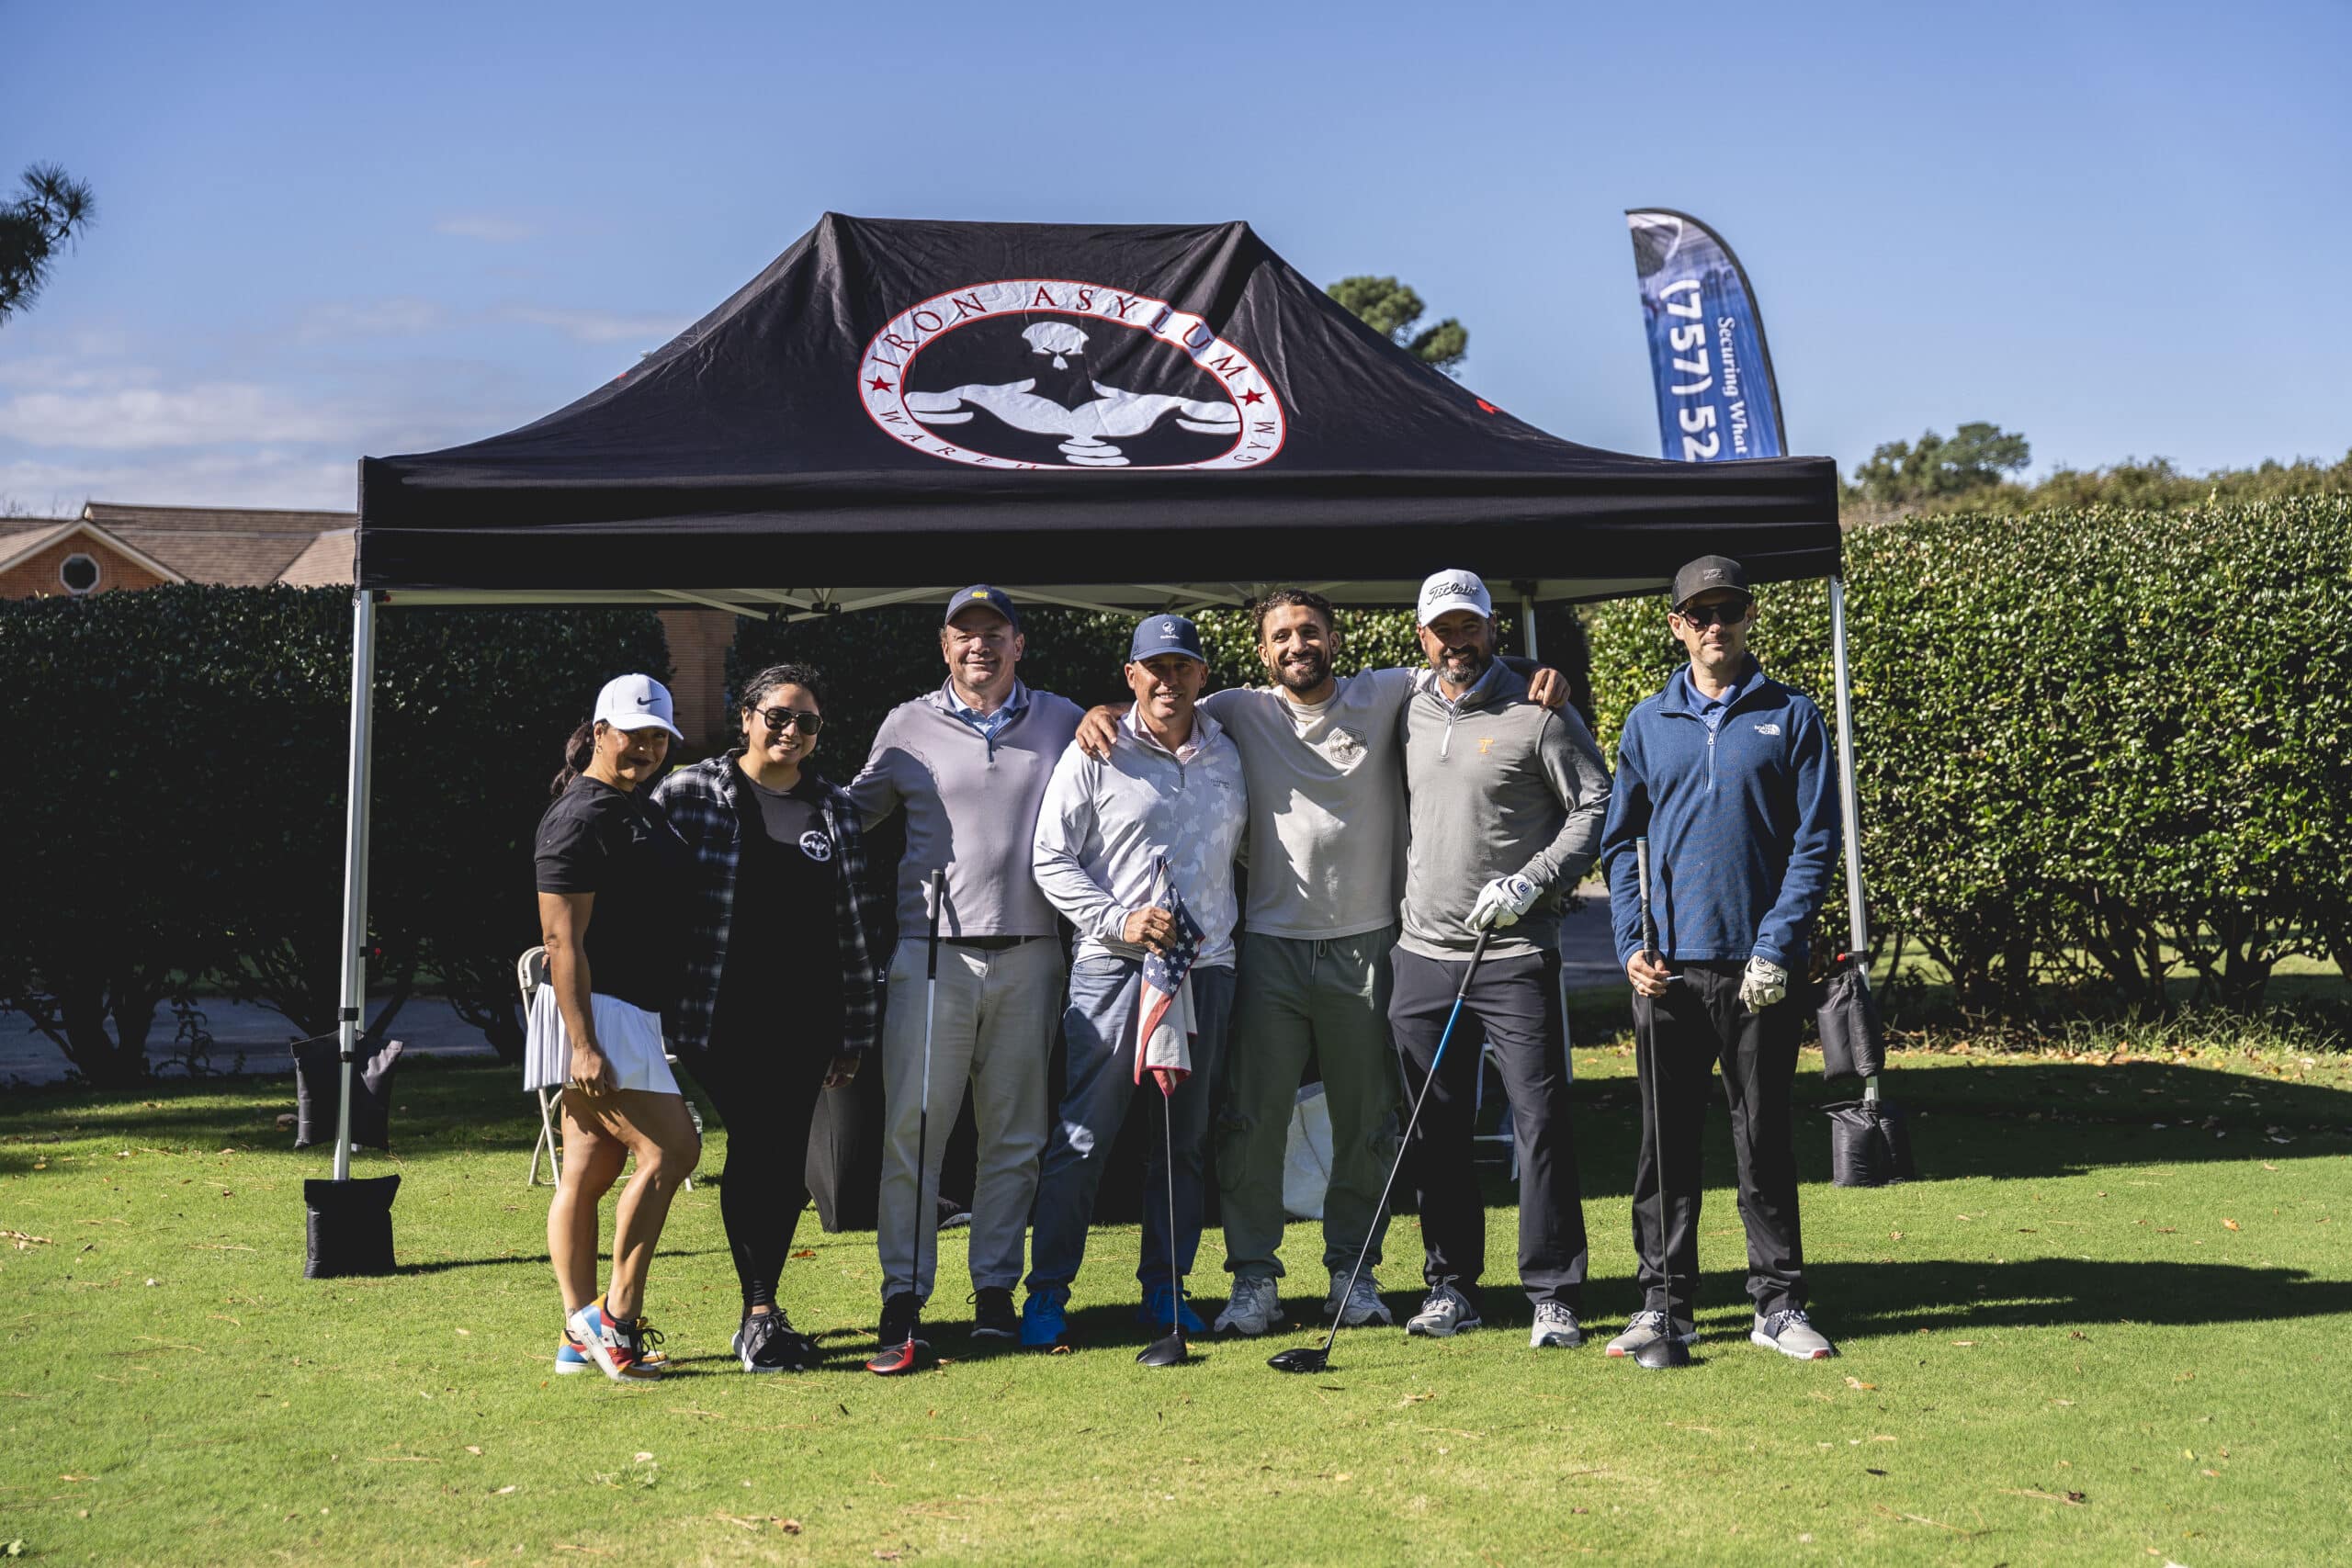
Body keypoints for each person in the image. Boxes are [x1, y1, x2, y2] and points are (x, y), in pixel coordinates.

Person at [1073, 591, 1576, 1337]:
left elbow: (1464, 662)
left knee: (1367, 1121)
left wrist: (1537, 670)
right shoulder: (1238, 709)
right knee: (1251, 1122)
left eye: (1309, 631)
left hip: (1369, 944)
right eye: (1281, 636)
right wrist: (1103, 710)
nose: (1296, 644)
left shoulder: (1386, 691)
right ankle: (1253, 1279)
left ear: (1335, 639)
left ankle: (1354, 1272)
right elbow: (1162, 703)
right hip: (1271, 948)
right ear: (1262, 651)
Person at [1597, 555, 1843, 1362]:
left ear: (1748, 617)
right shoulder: (1647, 722)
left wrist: (1777, 944)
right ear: (1677, 625)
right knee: (1664, 1147)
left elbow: (1816, 842)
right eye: (1699, 613)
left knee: (1763, 1138)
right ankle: (1665, 1306)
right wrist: (1631, 943)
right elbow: (1621, 845)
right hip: (1666, 972)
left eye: (1728, 610)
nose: (1715, 625)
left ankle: (1778, 1303)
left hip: (1758, 972)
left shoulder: (1792, 714)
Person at [849, 587, 1084, 1353]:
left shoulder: (1063, 719)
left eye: (993, 631)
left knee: (1015, 1135)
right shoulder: (906, 723)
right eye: (964, 633)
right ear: (945, 646)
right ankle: (903, 1294)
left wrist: (1114, 712)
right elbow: (852, 815)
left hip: (1034, 952)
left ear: (1019, 644)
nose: (979, 644)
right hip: (932, 955)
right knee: (914, 1130)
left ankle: (994, 1290)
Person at [1391, 570, 1611, 1348]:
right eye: (1443, 629)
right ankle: (1451, 1286)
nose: (1457, 641)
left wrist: (1535, 880)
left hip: (1513, 952)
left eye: (1470, 626)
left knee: (1539, 1122)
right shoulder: (1406, 706)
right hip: (1423, 954)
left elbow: (1597, 802)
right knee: (1435, 1127)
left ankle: (1553, 1291)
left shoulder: (1539, 711)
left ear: (1492, 629)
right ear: (1423, 636)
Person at [1022, 614, 1248, 1349]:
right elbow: (1051, 857)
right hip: (1113, 965)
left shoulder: (1229, 747)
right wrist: (1119, 919)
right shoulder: (1098, 748)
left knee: (1183, 1143)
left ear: (1202, 674)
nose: (1168, 679)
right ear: (1131, 675)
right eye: (1154, 667)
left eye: (1182, 666)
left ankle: (1166, 1289)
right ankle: (1048, 1293)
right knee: (1085, 1136)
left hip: (1205, 968)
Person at [655, 662, 886, 1372]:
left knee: (784, 1164)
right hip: (717, 1014)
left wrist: (854, 1030)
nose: (791, 731)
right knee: (760, 1143)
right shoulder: (690, 792)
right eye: (778, 716)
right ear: (747, 716)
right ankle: (759, 1314)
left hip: (807, 1019)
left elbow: (856, 927)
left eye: (806, 722)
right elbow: (640, 888)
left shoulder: (836, 809)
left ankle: (762, 1313)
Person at [532, 673, 701, 1382]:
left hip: (625, 1010)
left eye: (658, 736)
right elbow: (561, 939)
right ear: (599, 732)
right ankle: (614, 1318)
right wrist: (584, 1043)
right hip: (600, 1015)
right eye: (633, 734)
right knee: (673, 1149)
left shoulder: (632, 804)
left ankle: (578, 1335)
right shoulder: (579, 816)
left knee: (589, 1167)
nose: (647, 748)